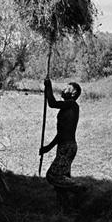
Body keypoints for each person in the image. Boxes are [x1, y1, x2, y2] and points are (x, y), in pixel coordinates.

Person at [40, 77, 88, 212]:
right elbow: (60, 133)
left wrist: (48, 86)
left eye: (67, 88)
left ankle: (79, 188)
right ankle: (68, 209)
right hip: (65, 146)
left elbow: (52, 103)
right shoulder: (67, 107)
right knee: (60, 183)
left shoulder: (72, 105)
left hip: (67, 147)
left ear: (73, 93)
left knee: (53, 176)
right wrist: (47, 148)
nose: (63, 89)